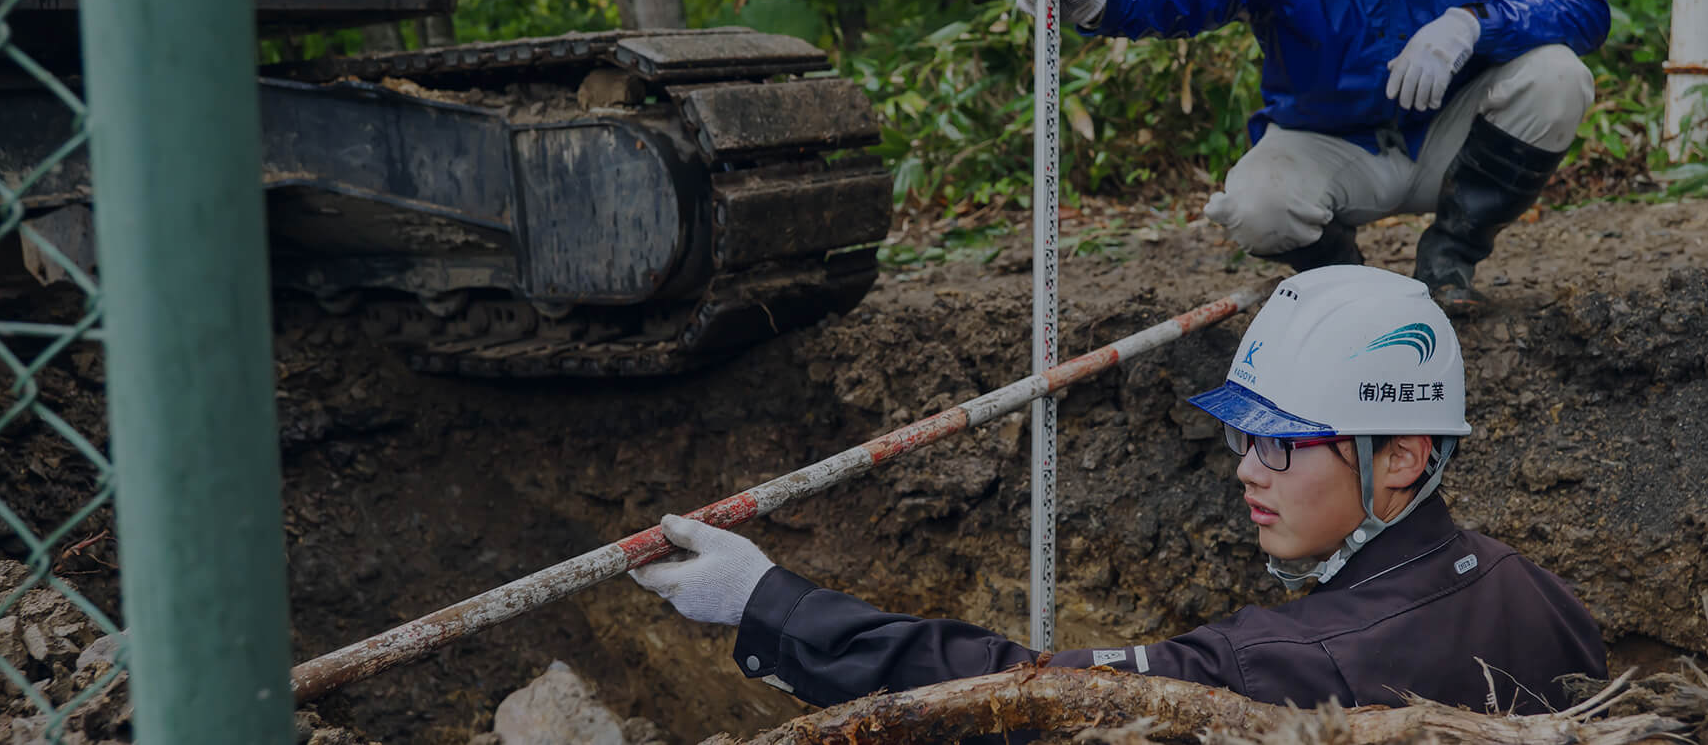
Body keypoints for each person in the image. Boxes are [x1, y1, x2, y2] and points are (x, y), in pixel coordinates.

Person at [629, 265, 1607, 714]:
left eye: (1279, 443)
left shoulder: (1294, 665)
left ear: (1399, 456)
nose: (1244, 466)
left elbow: (1016, 690)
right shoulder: (1549, 601)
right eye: (1240, 433)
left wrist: (765, 601)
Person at [1013, 0, 1608, 315]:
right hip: (1331, 145)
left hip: (1449, 139)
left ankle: (1450, 261)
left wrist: (1474, 25)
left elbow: (1583, 2)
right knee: (1256, 205)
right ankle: (1350, 289)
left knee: (1558, 78)